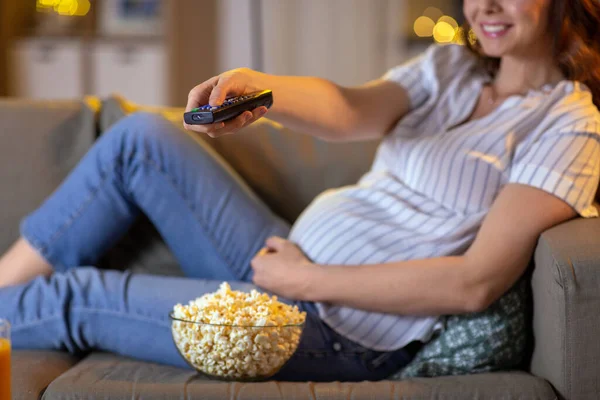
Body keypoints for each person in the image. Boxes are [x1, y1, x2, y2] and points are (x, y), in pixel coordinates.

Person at [1, 0, 599, 382]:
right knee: (141, 139)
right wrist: (261, 91)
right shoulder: (451, 71)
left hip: (333, 328)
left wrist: (308, 284)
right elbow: (351, 110)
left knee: (72, 298)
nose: (486, 7)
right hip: (286, 263)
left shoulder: (569, 124)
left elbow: (474, 282)